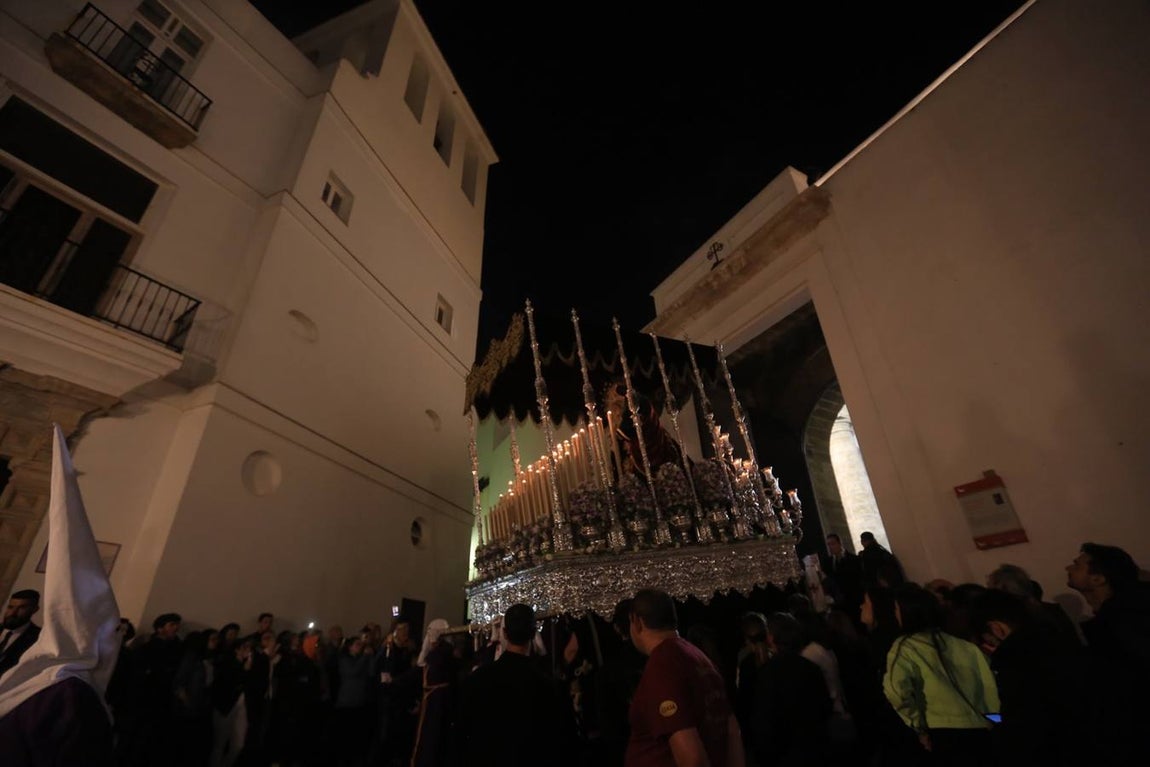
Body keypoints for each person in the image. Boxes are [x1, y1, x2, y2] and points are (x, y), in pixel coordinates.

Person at [968, 589, 1092, 767]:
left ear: (997, 629)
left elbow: (1023, 730)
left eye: (987, 641)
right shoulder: (1061, 642)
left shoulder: (1015, 664)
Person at [626, 588, 744, 767]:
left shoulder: (663, 664)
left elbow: (693, 759)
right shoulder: (697, 656)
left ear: (637, 621)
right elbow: (732, 729)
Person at [883, 585, 998, 767]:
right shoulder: (963, 645)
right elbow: (990, 687)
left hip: (940, 729)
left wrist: (917, 726)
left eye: (896, 609)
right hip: (979, 727)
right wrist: (994, 720)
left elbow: (896, 691)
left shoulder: (905, 647)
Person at [456, 603, 575, 767]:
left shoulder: (477, 679)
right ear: (533, 633)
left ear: (504, 633)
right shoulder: (547, 687)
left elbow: (461, 735)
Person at [750, 612, 831, 767]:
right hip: (816, 748)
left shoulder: (768, 674)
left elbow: (765, 722)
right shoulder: (811, 667)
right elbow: (825, 705)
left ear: (771, 638)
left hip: (786, 754)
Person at [0, 589, 42, 678]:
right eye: (10, 607)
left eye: (22, 608)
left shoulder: (39, 638)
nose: (12, 613)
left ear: (34, 609)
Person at [821, 534, 864, 618]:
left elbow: (858, 579)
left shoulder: (854, 559)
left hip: (854, 600)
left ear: (840, 543)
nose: (830, 547)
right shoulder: (827, 562)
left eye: (832, 544)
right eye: (828, 544)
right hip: (838, 602)